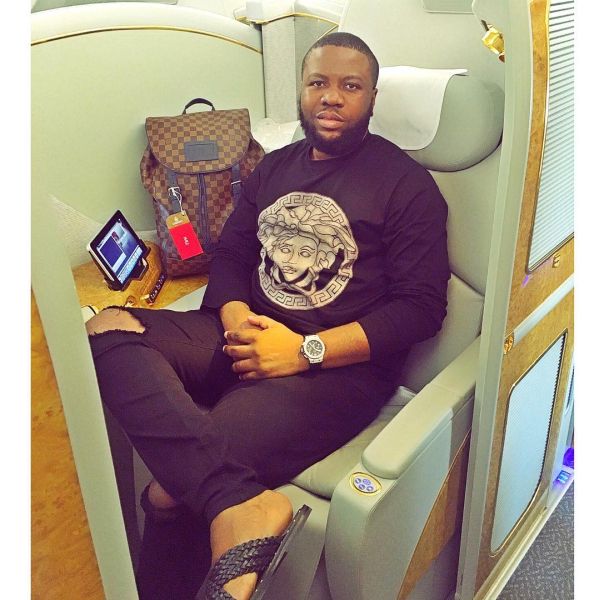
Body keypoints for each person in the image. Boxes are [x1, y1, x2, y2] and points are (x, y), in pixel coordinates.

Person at [85, 32, 450, 600]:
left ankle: (205, 527)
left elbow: (420, 309)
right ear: (301, 91)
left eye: (351, 85)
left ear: (372, 98)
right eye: (318, 82)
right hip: (244, 330)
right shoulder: (273, 168)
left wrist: (303, 351)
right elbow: (233, 253)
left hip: (333, 370)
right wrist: (235, 318)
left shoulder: (407, 187)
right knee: (106, 327)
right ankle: (239, 503)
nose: (332, 96)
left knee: (170, 491)